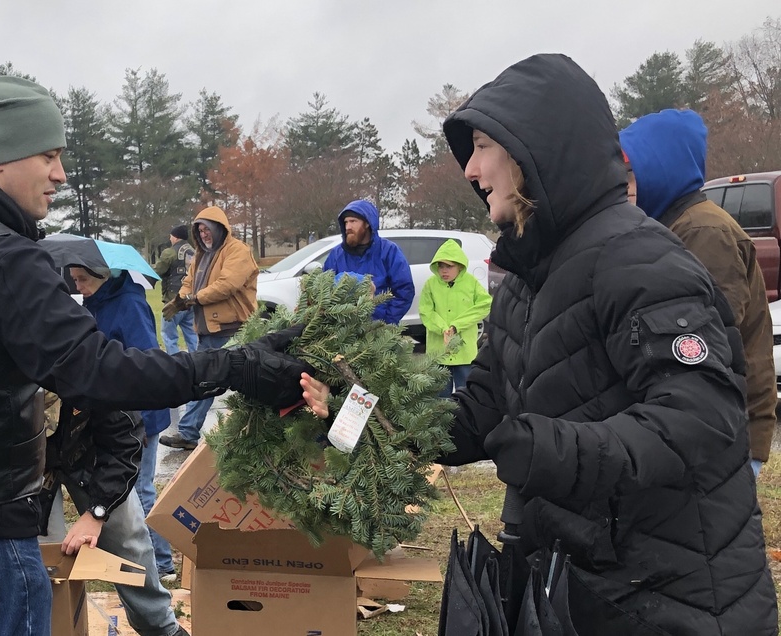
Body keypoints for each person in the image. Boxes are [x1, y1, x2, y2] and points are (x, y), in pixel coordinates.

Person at [305, 54, 777, 633]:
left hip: (670, 595)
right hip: (575, 583)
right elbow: (475, 414)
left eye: (481, 146)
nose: (470, 169)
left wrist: (548, 450)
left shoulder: (640, 260)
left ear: (536, 151)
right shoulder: (525, 280)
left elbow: (702, 419)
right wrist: (351, 408)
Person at [0, 75, 310, 636]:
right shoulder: (2, 257)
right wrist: (238, 367)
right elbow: (101, 374)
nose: (61, 174)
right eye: (48, 155)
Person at [620, 108, 776, 478]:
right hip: (708, 421)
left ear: (663, 168)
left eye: (630, 175)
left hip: (726, 427)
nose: (624, 187)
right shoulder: (670, 225)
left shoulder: (704, 231)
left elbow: (712, 337)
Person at [38, 391, 188, 636]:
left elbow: (124, 441)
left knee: (129, 541)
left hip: (93, 450)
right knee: (43, 561)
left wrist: (98, 512)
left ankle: (161, 628)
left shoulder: (92, 363)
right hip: (28, 463)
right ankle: (55, 628)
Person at [69, 264, 177, 581]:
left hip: (141, 412)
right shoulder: (92, 302)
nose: (79, 286)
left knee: (140, 488)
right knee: (126, 490)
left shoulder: (130, 303)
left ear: (103, 274)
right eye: (75, 280)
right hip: (115, 414)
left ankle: (162, 564)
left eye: (84, 279)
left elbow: (148, 357)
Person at [159, 206, 258, 451]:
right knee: (203, 382)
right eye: (200, 230)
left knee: (249, 383)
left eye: (207, 229)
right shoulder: (201, 255)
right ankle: (188, 433)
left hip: (235, 330)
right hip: (208, 332)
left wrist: (193, 298)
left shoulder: (238, 251)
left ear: (219, 228)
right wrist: (181, 298)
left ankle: (255, 434)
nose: (203, 234)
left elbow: (228, 284)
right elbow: (188, 281)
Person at [418, 239, 491, 395]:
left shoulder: (471, 283)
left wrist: (457, 325)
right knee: (440, 399)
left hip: (464, 352)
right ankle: (441, 420)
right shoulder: (430, 284)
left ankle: (465, 420)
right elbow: (425, 311)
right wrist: (443, 328)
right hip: (439, 353)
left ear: (460, 266)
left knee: (466, 396)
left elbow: (485, 304)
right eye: (441, 266)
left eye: (449, 266)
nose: (444, 271)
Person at [323, 199, 414, 324]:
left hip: (379, 333)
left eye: (353, 221)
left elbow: (404, 290)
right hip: (342, 333)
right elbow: (323, 290)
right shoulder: (336, 255)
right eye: (346, 222)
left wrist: (385, 322)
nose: (348, 227)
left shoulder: (389, 251)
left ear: (367, 223)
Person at [153, 224, 197, 354]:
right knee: (192, 336)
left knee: (169, 335)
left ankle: (175, 363)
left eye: (171, 236)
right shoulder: (194, 252)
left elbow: (158, 271)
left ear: (175, 237)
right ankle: (197, 362)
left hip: (174, 301)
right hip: (191, 299)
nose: (170, 238)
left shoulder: (169, 252)